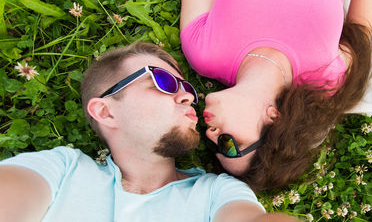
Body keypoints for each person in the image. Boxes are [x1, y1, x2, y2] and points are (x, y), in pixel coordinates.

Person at [0, 42, 298, 222]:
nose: (188, 97)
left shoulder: (215, 193)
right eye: (164, 82)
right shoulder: (63, 171)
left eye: (188, 89)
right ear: (106, 111)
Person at [180, 0, 372, 191]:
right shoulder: (323, 78)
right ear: (273, 118)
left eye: (215, 147)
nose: (211, 135)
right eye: (229, 145)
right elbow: (360, 34)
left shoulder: (204, 53)